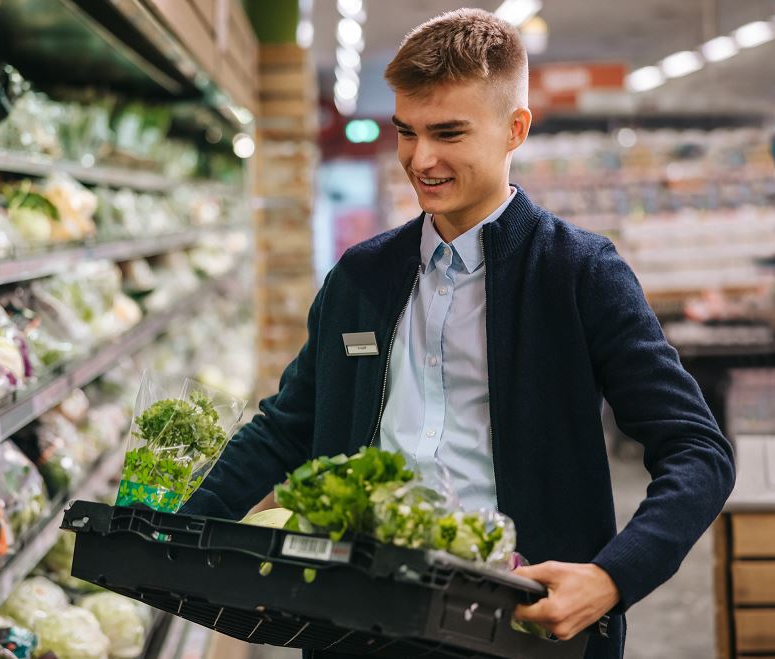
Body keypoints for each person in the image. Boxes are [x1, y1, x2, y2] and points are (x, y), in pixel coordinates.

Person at [183, 8, 735, 659]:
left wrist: (613, 577)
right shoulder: (361, 277)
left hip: (522, 627)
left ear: (515, 129)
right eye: (407, 132)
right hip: (356, 622)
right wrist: (173, 531)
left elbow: (698, 450)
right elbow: (285, 427)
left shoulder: (577, 272)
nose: (421, 159)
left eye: (448, 133)